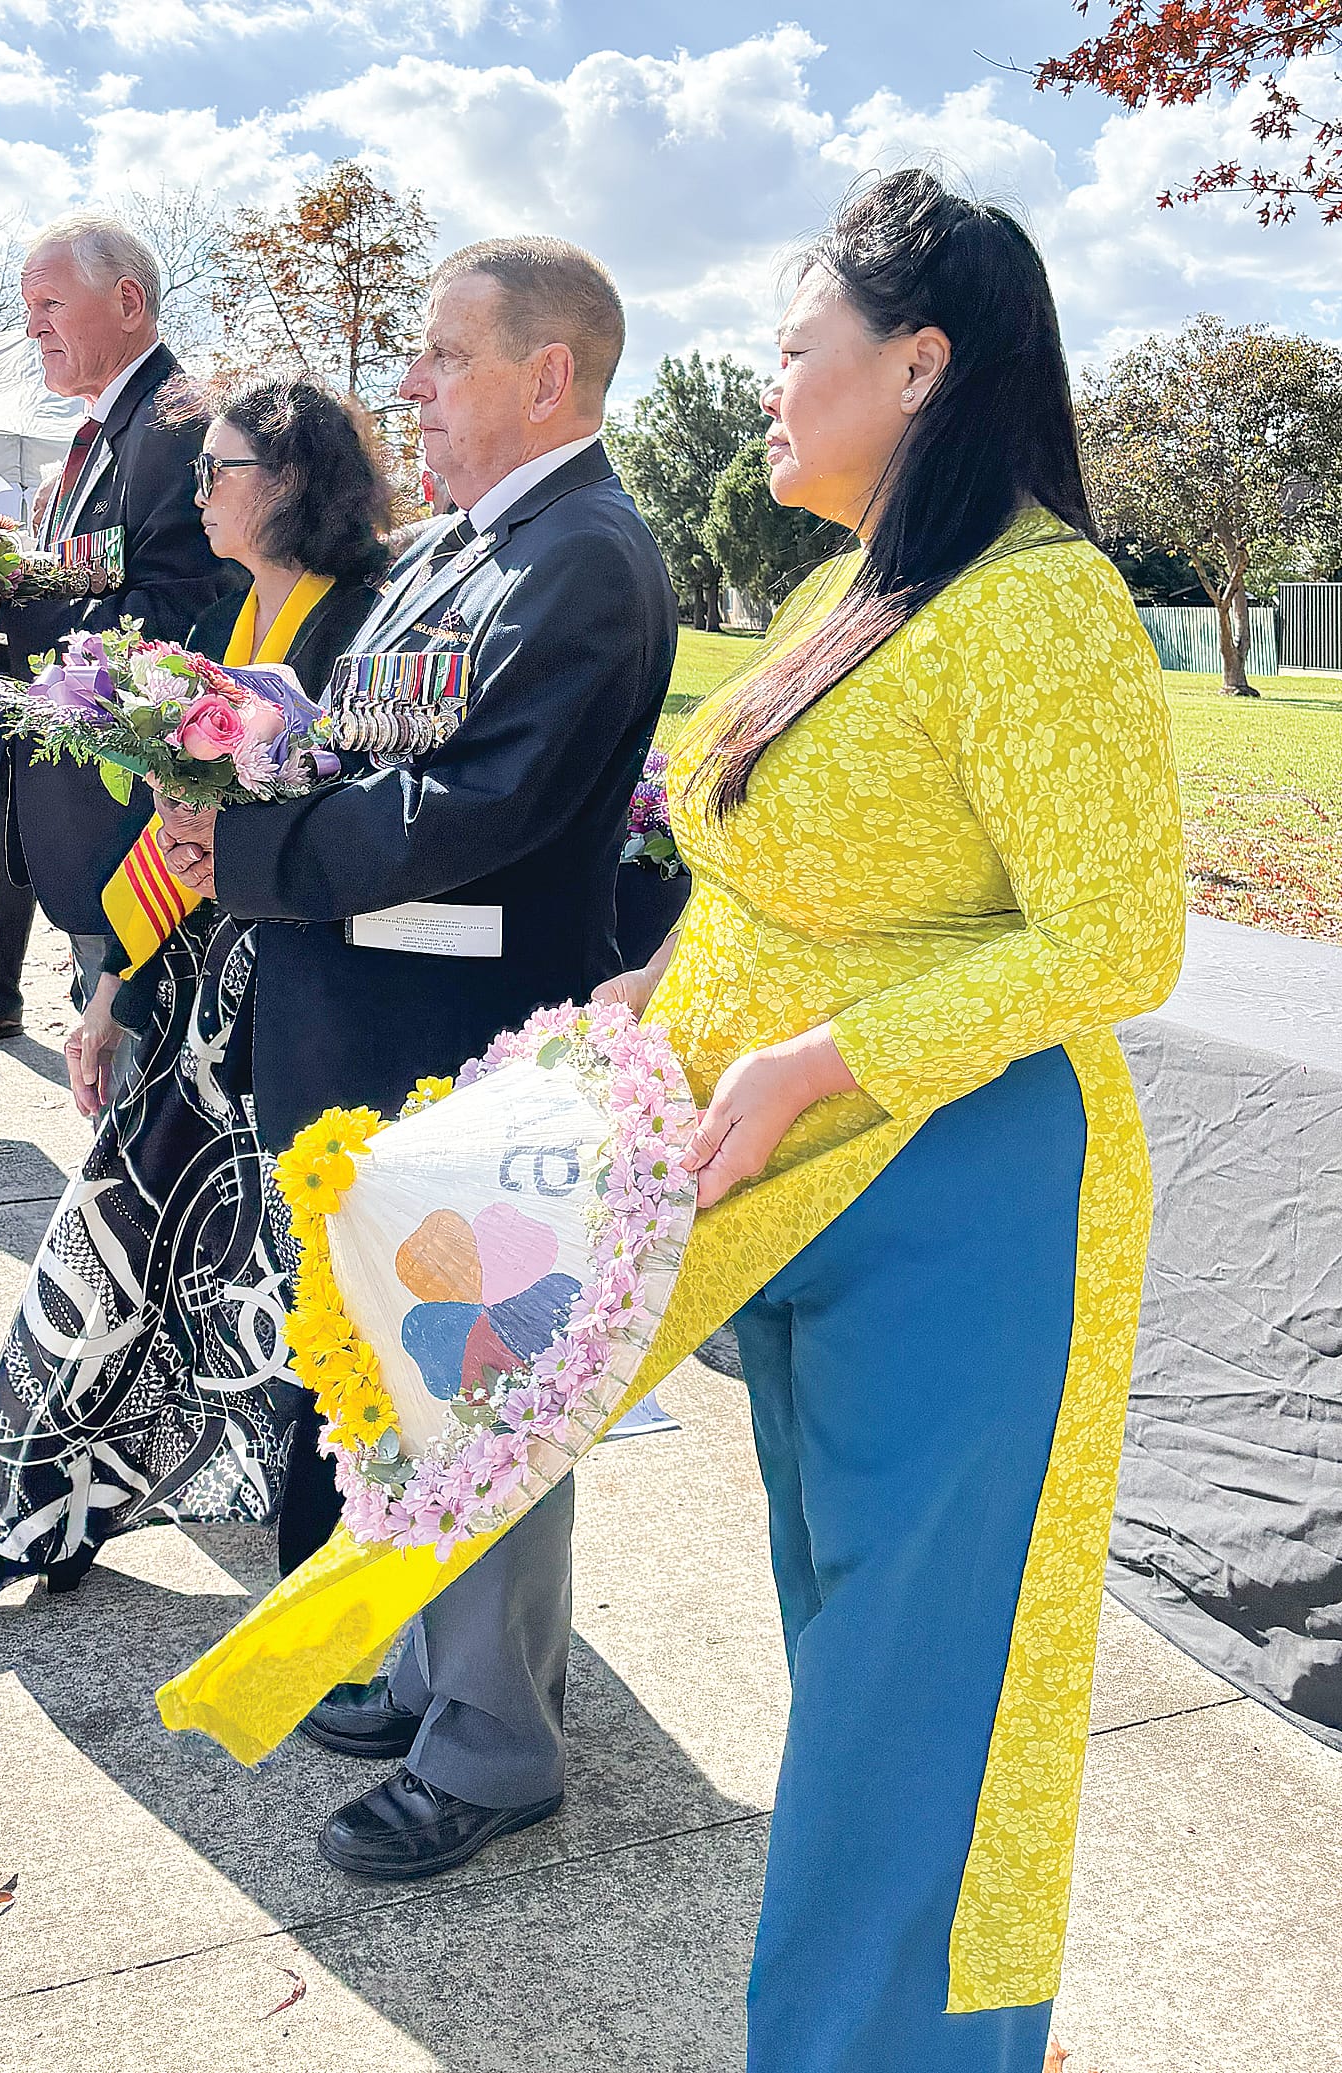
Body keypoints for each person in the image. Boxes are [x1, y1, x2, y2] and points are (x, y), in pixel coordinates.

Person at [588, 171, 1183, 2068]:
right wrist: (657, 997)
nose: (762, 385)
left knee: (912, 1713)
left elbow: (1117, 937)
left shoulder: (1040, 602)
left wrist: (819, 1059)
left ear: (916, 362)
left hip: (964, 1197)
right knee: (849, 1653)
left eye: (789, 350)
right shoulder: (861, 591)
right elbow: (793, 875)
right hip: (798, 1196)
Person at [157, 238, 677, 1880]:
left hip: (463, 1047)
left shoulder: (582, 553)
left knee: (473, 1399)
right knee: (412, 1391)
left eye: (444, 358)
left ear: (546, 376)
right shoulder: (468, 545)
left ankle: (493, 1747)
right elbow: (369, 741)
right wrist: (246, 756)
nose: (413, 388)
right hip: (367, 1035)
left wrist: (246, 858)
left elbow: (470, 806)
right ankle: (448, 1669)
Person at [0, 374, 388, 1603]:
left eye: (219, 469)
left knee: (271, 1305)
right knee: (102, 1246)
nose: (197, 490)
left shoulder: (362, 626)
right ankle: (23, 1518)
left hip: (304, 1013)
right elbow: (184, 819)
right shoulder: (233, 626)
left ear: (283, 483)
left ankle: (328, 1580)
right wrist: (112, 989)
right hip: (197, 993)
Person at [0, 212, 236, 1048]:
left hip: (139, 842)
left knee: (142, 1095)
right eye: (30, 308)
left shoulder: (175, 430)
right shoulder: (102, 433)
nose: (31, 327)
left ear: (128, 301)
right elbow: (62, 606)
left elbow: (185, 623)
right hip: (83, 833)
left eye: (50, 303)